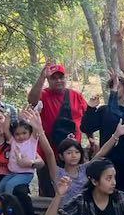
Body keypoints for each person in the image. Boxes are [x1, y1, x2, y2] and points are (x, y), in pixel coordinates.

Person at [28, 62, 89, 197]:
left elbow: (87, 120)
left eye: (61, 77)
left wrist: (90, 139)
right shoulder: (43, 95)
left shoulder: (76, 96)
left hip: (73, 153)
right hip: (48, 152)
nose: (58, 81)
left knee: (76, 189)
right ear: (49, 80)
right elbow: (31, 101)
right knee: (49, 191)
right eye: (54, 78)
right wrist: (42, 77)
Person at [0, 119, 45, 196]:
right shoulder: (13, 141)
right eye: (17, 134)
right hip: (12, 173)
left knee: (9, 186)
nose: (21, 136)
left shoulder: (32, 141)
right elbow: (6, 130)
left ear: (30, 132)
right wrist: (7, 115)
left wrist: (31, 120)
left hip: (26, 174)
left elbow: (36, 128)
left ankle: (10, 203)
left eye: (24, 133)